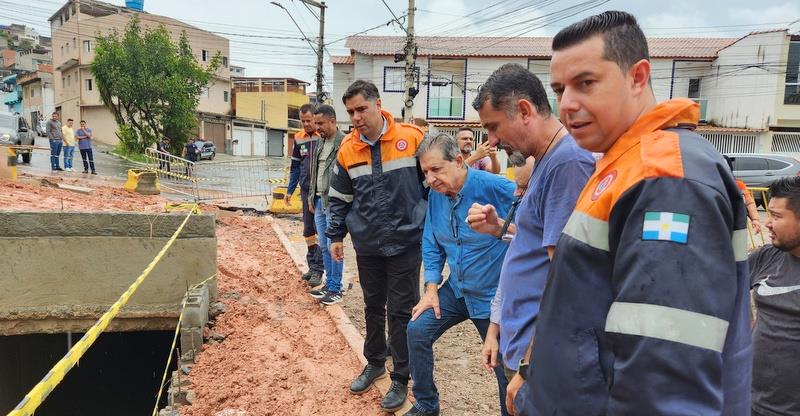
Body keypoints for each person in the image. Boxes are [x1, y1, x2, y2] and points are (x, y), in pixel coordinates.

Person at [516, 11, 752, 415]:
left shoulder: (666, 178)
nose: (568, 103)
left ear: (638, 76)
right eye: (559, 88)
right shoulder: (622, 164)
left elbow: (665, 374)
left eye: (586, 83)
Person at [466, 63, 595, 415]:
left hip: (543, 361)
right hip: (525, 346)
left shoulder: (567, 164)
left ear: (524, 110)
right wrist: (498, 229)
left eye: (493, 127)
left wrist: (528, 365)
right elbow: (535, 245)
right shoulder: (545, 161)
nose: (491, 142)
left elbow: (566, 280)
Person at [327, 80, 426, 413]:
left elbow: (432, 188)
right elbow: (339, 198)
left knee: (401, 310)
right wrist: (336, 235)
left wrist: (432, 230)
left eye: (360, 109)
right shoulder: (347, 149)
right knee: (372, 305)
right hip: (368, 243)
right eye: (350, 111)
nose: (355, 117)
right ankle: (374, 362)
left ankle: (401, 376)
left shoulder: (411, 138)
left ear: (377, 104)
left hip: (405, 243)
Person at [404, 133, 515, 416]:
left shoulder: (498, 187)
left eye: (436, 170)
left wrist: (499, 227)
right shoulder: (436, 195)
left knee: (503, 368)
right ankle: (427, 404)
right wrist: (431, 288)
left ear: (458, 160)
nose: (430, 179)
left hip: (493, 297)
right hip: (456, 290)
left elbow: (533, 231)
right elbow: (431, 243)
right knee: (416, 330)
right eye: (425, 172)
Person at [749, 177, 800, 416]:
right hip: (749, 403)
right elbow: (723, 286)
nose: (767, 223)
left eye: (777, 217)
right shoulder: (770, 256)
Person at [307, 104, 346, 306]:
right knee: (323, 245)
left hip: (334, 203)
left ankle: (336, 287)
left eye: (320, 123)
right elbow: (316, 171)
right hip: (320, 200)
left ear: (333, 121)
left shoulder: (345, 143)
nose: (317, 127)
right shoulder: (320, 142)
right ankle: (329, 284)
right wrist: (311, 197)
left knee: (333, 246)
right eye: (316, 124)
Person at [285, 103, 325, 287]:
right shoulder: (298, 138)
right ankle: (312, 266)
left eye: (309, 120)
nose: (306, 124)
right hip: (305, 190)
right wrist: (289, 190)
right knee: (308, 231)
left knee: (320, 231)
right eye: (303, 121)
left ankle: (319, 270)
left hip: (321, 192)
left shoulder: (323, 137)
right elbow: (294, 167)